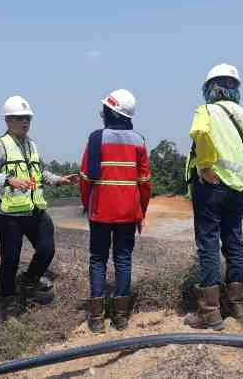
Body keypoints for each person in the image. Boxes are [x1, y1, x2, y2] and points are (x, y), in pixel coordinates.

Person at [184, 63, 243, 330]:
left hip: (211, 186)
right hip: (237, 188)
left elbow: (201, 132)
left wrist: (205, 165)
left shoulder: (206, 110)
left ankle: (210, 312)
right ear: (235, 89)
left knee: (208, 244)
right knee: (234, 243)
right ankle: (236, 306)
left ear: (209, 88)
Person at [0, 95, 78, 321]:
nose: (25, 122)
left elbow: (40, 173)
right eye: (20, 118)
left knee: (47, 249)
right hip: (8, 213)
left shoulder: (32, 144)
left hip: (34, 209)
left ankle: (28, 283)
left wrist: (61, 180)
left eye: (28, 118)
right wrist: (8, 180)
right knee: (10, 258)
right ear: (8, 120)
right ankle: (6, 302)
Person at [79, 89, 151, 333]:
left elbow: (85, 178)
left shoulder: (96, 138)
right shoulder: (139, 140)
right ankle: (121, 318)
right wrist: (141, 212)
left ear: (111, 112)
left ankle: (97, 318)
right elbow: (145, 182)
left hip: (100, 211)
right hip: (129, 213)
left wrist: (86, 205)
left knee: (98, 259)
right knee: (123, 259)